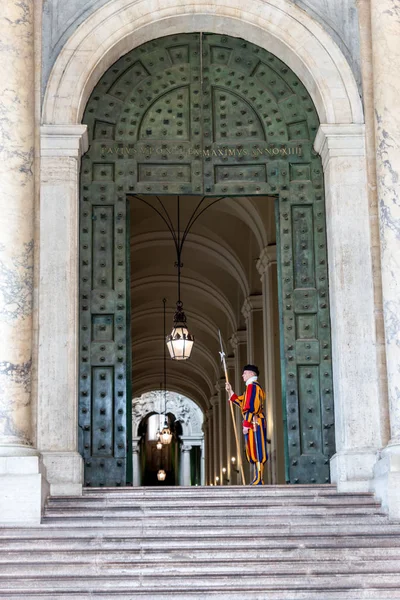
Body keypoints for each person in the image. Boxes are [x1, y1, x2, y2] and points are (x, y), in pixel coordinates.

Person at [225, 364, 267, 485]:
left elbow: (250, 408)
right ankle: (257, 477)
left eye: (245, 373)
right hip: (254, 423)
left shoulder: (252, 387)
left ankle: (259, 478)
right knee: (253, 450)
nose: (242, 375)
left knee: (257, 450)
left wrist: (246, 424)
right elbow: (241, 402)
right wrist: (230, 391)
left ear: (251, 374)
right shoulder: (251, 388)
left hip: (255, 423)